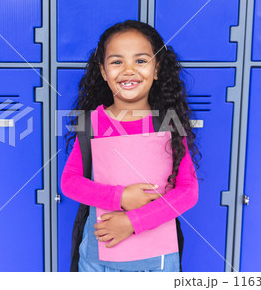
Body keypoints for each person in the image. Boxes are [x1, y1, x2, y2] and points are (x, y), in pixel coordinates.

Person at [61, 20, 200, 272]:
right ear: (103, 72)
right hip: (97, 260)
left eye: (140, 61)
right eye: (116, 62)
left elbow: (187, 191)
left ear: (156, 69)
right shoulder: (92, 123)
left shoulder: (169, 125)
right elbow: (70, 182)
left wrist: (132, 221)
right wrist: (121, 197)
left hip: (157, 263)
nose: (128, 70)